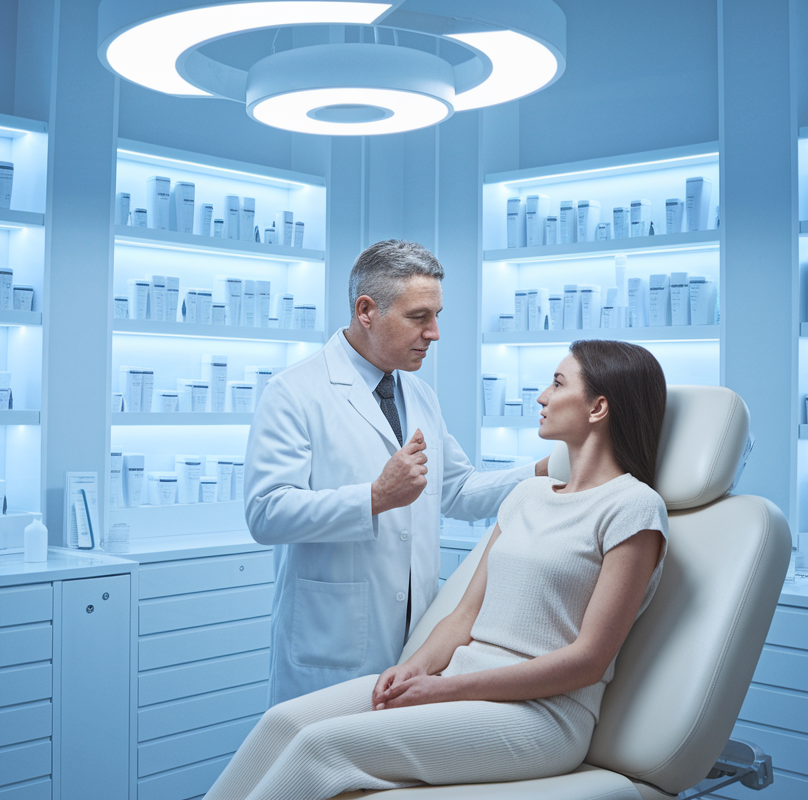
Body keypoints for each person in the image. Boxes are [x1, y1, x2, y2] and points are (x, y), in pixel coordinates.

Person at [208, 340, 670, 800]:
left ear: (599, 407)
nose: (541, 397)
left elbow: (588, 662)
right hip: (459, 682)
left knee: (319, 745)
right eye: (418, 316)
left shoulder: (634, 508)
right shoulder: (529, 495)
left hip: (542, 716)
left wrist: (445, 691)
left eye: (556, 383)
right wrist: (413, 670)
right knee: (282, 723)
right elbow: (464, 616)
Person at [244, 240, 547, 705]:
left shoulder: (419, 393)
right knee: (324, 770)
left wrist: (542, 471)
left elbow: (458, 492)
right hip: (333, 643)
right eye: (419, 317)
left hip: (415, 637)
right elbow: (267, 513)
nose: (435, 333)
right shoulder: (294, 392)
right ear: (367, 310)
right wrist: (374, 497)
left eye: (437, 315)